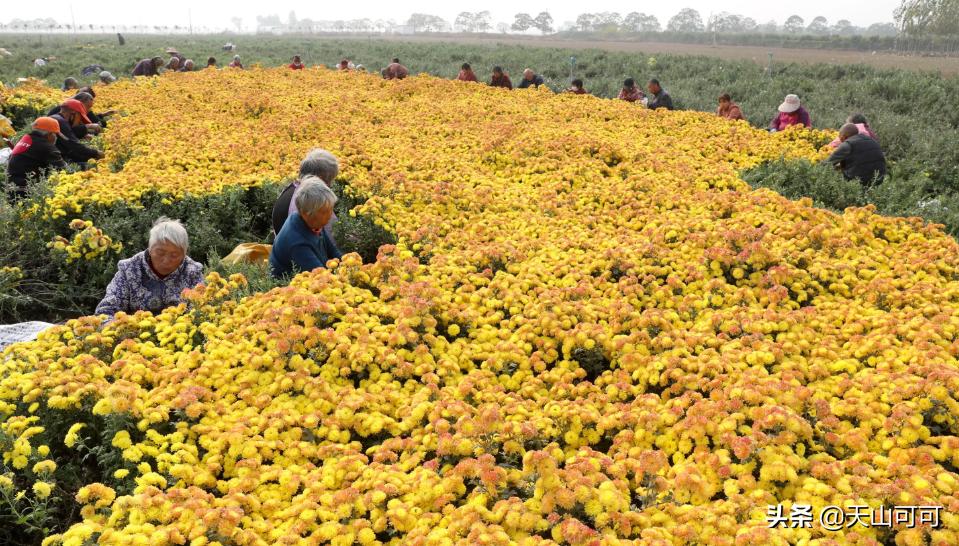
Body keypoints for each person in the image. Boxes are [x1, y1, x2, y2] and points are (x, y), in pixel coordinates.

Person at [95, 217, 204, 317]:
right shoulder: (129, 269)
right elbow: (105, 312)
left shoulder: (192, 272)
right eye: (160, 253)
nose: (166, 261)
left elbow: (204, 311)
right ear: (150, 249)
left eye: (174, 255)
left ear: (184, 254)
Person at [269, 177, 343, 279]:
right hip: (289, 286)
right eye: (325, 211)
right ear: (306, 213)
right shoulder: (297, 243)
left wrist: (348, 264)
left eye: (331, 209)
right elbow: (321, 277)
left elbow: (333, 251)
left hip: (317, 271)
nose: (330, 214)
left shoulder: (313, 223)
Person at [272, 149, 341, 243]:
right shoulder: (312, 199)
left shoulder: (290, 189)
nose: (330, 186)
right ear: (320, 178)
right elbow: (334, 238)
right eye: (330, 180)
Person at [5, 117, 67, 201]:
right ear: (49, 134)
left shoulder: (27, 138)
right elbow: (64, 170)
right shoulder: (46, 147)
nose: (56, 137)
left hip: (12, 190)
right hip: (27, 194)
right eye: (55, 134)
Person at [823, 123, 887, 186]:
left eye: (840, 138)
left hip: (860, 182)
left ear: (844, 137)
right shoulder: (871, 140)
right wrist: (838, 166)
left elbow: (827, 163)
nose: (840, 141)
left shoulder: (848, 144)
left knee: (835, 181)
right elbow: (859, 160)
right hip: (879, 179)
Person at [51, 99, 103, 164]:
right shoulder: (61, 121)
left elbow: (69, 135)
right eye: (80, 117)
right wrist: (97, 153)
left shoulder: (56, 118)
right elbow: (75, 146)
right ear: (73, 113)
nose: (80, 122)